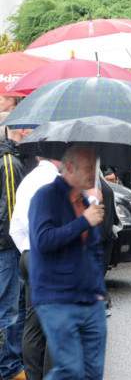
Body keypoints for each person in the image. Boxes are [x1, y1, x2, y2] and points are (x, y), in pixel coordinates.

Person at [28, 146, 107, 379]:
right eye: (89, 167)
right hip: (57, 298)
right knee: (69, 370)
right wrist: (83, 222)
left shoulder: (85, 201)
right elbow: (43, 241)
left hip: (91, 300)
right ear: (70, 167)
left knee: (93, 373)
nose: (94, 173)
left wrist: (100, 291)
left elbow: (94, 251)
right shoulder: (45, 196)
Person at [10, 157, 61, 380]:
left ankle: (33, 376)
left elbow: (15, 227)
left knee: (34, 324)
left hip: (29, 255)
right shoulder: (56, 182)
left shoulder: (28, 180)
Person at [0, 125, 30, 380]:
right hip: (7, 248)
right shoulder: (9, 161)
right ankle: (10, 367)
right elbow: (11, 213)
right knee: (10, 309)